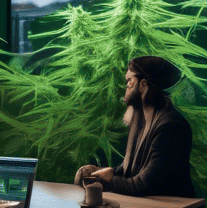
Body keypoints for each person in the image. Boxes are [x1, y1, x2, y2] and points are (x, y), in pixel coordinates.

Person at [75, 56, 194, 197]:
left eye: (130, 80)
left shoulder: (171, 127)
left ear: (143, 85)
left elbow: (143, 184)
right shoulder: (142, 119)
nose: (127, 85)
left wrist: (101, 181)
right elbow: (135, 169)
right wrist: (108, 171)